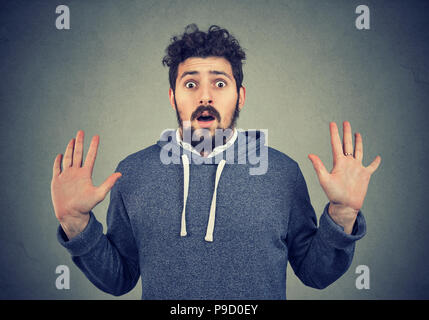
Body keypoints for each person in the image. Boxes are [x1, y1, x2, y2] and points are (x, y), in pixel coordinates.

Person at [51, 24, 381, 299]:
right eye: (190, 84)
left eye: (220, 83)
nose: (205, 96)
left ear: (240, 95)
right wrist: (77, 224)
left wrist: (343, 214)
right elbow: (118, 279)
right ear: (173, 96)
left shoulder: (282, 173)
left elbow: (315, 273)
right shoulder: (134, 173)